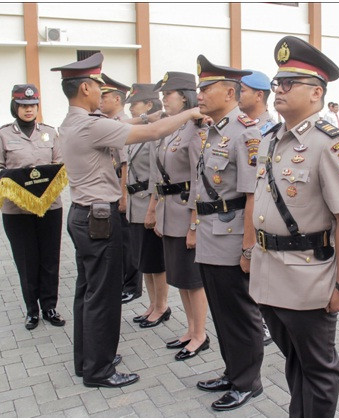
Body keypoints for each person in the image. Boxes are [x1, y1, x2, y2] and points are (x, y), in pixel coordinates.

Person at [51, 52, 205, 388]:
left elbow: (132, 123)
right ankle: (100, 369)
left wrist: (161, 111)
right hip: (99, 219)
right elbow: (152, 133)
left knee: (86, 292)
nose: (102, 92)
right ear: (87, 88)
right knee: (102, 297)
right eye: (99, 86)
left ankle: (87, 359)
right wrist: (191, 112)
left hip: (83, 215)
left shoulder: (74, 122)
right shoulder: (91, 125)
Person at [250, 35, 339, 417]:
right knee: (294, 359)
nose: (277, 90)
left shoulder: (330, 144)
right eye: (277, 83)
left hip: (307, 278)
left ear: (316, 93)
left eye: (288, 84)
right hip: (269, 273)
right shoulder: (269, 139)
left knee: (317, 368)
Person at [192, 55, 264, 411]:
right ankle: (233, 370)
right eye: (199, 87)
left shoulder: (245, 132)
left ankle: (248, 382)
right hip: (210, 235)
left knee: (239, 312)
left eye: (206, 88)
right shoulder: (214, 130)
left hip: (233, 237)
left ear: (229, 91)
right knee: (221, 312)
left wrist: (248, 248)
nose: (200, 93)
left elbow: (252, 195)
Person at [0, 84, 66, 330]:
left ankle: (50, 306)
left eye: (33, 105)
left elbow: (60, 165)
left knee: (49, 258)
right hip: (17, 210)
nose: (29, 110)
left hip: (49, 207)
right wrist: (18, 179)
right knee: (26, 260)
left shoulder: (50, 132)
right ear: (15, 107)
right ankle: (32, 310)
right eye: (23, 105)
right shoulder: (2, 135)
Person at [147, 71, 209, 359]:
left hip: (186, 215)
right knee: (181, 279)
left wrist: (195, 224)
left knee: (193, 281)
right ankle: (190, 329)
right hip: (170, 213)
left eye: (167, 94)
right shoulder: (172, 128)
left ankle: (201, 334)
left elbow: (199, 180)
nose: (163, 99)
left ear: (184, 97)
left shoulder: (196, 130)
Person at [123, 83, 171, 329]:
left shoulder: (156, 133)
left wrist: (153, 208)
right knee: (144, 261)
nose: (131, 108)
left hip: (148, 202)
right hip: (134, 204)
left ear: (149, 105)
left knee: (155, 261)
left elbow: (156, 173)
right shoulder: (137, 132)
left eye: (135, 104)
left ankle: (162, 306)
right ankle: (152, 304)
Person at [238, 70, 276, 346]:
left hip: (262, 211)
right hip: (246, 212)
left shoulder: (267, 130)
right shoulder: (244, 126)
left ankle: (264, 324)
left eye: (243, 90)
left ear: (259, 95)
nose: (238, 95)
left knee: (260, 273)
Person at [99, 74, 143, 305]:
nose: (100, 99)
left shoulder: (123, 125)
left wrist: (123, 196)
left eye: (104, 96)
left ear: (117, 99)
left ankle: (132, 286)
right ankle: (124, 282)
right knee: (121, 241)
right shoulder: (109, 122)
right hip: (112, 189)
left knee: (128, 244)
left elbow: (125, 163)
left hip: (120, 189)